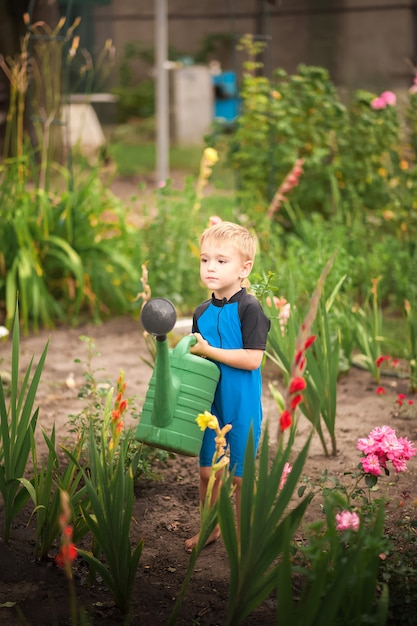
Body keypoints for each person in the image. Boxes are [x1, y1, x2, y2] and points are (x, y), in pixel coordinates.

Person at [185, 221, 270, 552]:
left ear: (244, 268)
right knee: (208, 472)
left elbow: (252, 360)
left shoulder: (250, 309)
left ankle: (245, 540)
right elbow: (198, 360)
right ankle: (211, 528)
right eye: (205, 260)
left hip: (242, 401)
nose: (210, 267)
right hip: (211, 402)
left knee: (239, 477)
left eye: (222, 261)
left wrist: (208, 350)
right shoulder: (201, 312)